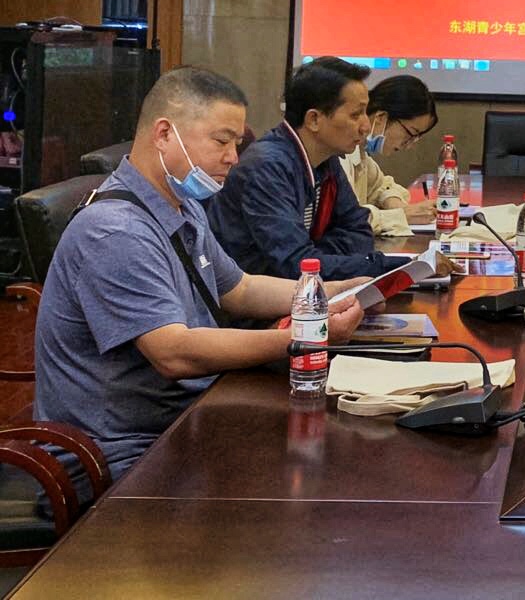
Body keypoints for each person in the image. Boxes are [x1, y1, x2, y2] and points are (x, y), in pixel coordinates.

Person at [34, 66, 366, 479]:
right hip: (121, 453)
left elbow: (240, 289)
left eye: (237, 143)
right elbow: (173, 352)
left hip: (186, 415)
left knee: (333, 444)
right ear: (164, 134)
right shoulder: (114, 230)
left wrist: (330, 290)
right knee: (314, 470)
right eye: (222, 141)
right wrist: (305, 336)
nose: (233, 157)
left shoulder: (182, 204)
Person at [208, 56, 413, 279]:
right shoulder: (267, 167)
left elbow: (359, 232)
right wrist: (394, 266)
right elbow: (296, 265)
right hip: (253, 296)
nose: (365, 126)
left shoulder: (326, 159)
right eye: (355, 115)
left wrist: (315, 254)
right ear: (314, 119)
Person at [340, 74, 439, 237]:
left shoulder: (360, 151)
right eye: (410, 134)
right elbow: (347, 220)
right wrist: (402, 215)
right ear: (381, 118)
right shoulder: (340, 153)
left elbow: (381, 186)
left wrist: (398, 206)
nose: (409, 144)